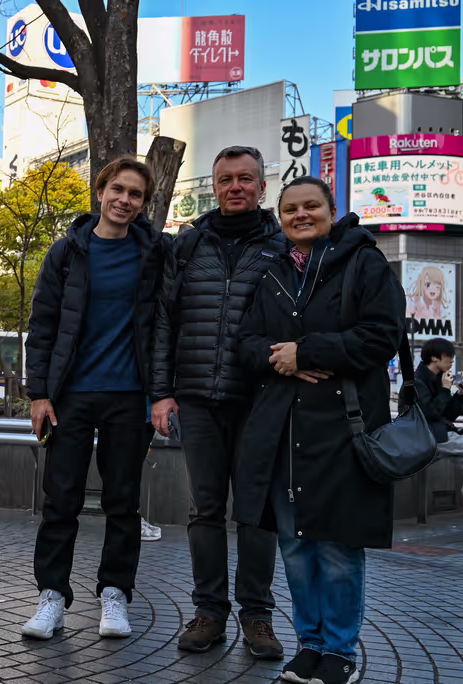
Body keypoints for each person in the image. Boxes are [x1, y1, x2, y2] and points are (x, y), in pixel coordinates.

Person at [236, 176, 405, 684]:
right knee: (293, 543)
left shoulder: (363, 262)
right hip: (282, 431)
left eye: (312, 206)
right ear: (280, 216)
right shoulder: (271, 272)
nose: (301, 215)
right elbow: (244, 343)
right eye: (290, 209)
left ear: (333, 210)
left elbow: (383, 335)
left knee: (336, 545)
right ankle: (308, 645)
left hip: (342, 431)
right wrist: (281, 358)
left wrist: (306, 351)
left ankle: (340, 651)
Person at [22, 156, 170, 640]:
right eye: (118, 190)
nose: (125, 200)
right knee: (60, 499)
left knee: (122, 502)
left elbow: (168, 322)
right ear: (100, 190)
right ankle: (51, 598)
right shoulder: (67, 252)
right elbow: (42, 326)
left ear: (143, 204)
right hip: (71, 397)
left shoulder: (155, 253)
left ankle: (115, 594)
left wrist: (162, 393)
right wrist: (39, 393)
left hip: (130, 397)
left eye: (136, 195)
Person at [150, 145, 286, 658]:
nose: (236, 187)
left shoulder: (281, 245)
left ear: (261, 186)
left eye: (245, 179)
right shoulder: (188, 245)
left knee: (256, 511)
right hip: (197, 398)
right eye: (226, 178)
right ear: (214, 184)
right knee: (205, 509)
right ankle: (208, 611)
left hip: (259, 399)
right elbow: (165, 321)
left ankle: (257, 616)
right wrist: (161, 393)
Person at [410, 337, 463, 538]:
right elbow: (429, 413)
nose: (451, 362)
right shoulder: (417, 381)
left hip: (442, 435)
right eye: (448, 357)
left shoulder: (439, 379)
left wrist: (459, 395)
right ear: (434, 358)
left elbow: (447, 415)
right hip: (429, 438)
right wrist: (445, 390)